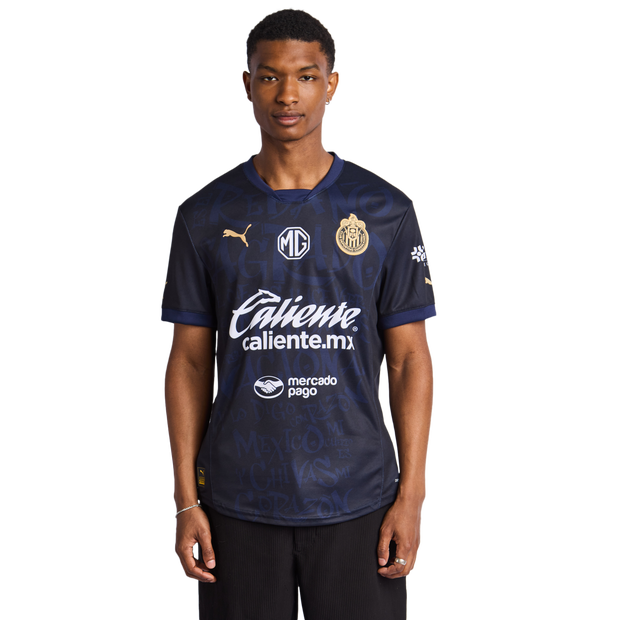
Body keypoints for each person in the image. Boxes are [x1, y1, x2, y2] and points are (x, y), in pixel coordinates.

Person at [159, 7, 438, 619]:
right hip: (236, 500)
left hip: (360, 498)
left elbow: (410, 359)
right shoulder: (204, 216)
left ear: (332, 83)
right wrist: (186, 499)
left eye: (306, 77)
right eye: (269, 77)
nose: (287, 95)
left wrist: (411, 495)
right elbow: (189, 361)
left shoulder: (384, 211)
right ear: (247, 83)